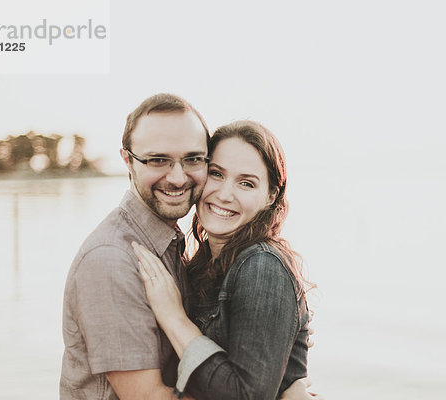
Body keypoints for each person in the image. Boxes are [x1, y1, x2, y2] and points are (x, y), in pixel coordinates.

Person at [60, 94, 316, 400]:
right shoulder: (114, 259)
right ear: (128, 160)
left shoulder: (256, 266)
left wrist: (176, 318)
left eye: (193, 159)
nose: (178, 177)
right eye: (158, 160)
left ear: (272, 195)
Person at [132, 120, 318, 399]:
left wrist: (173, 317)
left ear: (270, 196)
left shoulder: (262, 267)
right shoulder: (206, 263)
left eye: (246, 183)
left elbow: (246, 395)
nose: (224, 194)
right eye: (216, 174)